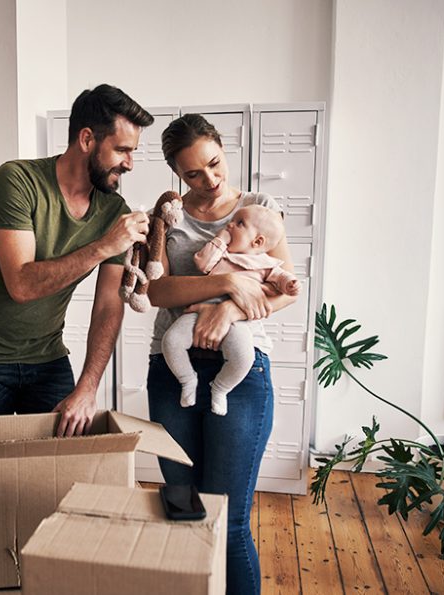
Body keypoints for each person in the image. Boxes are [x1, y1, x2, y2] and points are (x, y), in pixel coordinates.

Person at [0, 84, 154, 437]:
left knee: (61, 459)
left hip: (45, 352)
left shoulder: (114, 211)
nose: (129, 163)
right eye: (122, 150)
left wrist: (87, 388)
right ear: (87, 139)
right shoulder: (17, 181)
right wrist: (104, 245)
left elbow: (108, 306)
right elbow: (21, 285)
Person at [147, 113, 297, 595]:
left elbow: (286, 289)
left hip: (242, 369)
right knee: (184, 512)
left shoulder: (258, 209)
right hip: (175, 370)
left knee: (227, 521)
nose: (209, 180)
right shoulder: (169, 217)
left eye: (215, 164)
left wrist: (229, 312)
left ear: (223, 150)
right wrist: (226, 281)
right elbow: (157, 291)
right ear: (176, 172)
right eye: (193, 173)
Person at [162, 204, 300, 416]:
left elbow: (281, 280)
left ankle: (220, 388)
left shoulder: (265, 264)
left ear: (258, 241)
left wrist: (290, 283)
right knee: (171, 341)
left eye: (239, 224)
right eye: (232, 220)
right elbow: (202, 262)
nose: (230, 225)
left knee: (244, 357)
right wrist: (221, 239)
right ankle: (188, 380)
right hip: (201, 310)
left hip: (237, 321)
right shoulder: (221, 254)